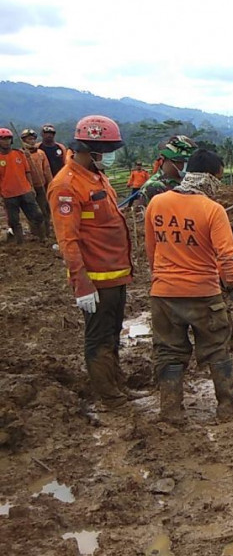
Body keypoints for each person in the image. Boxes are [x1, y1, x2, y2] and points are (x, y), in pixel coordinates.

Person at [145, 149, 233, 423]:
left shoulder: (156, 204)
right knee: (218, 349)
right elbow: (227, 256)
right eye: (217, 179)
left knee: (169, 353)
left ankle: (171, 412)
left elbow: (151, 251)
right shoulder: (212, 210)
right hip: (203, 294)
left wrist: (164, 278)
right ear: (208, 178)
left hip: (164, 294)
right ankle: (228, 411)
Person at [48, 115, 141, 410]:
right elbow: (68, 240)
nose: (108, 158)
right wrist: (81, 284)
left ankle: (116, 383)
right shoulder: (66, 185)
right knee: (99, 338)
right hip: (97, 279)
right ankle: (109, 397)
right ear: (89, 149)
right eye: (105, 152)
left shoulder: (96, 176)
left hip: (115, 275)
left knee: (113, 333)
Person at [0, 128, 46, 243]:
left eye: (8, 139)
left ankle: (42, 239)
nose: (5, 141)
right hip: (8, 195)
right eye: (2, 139)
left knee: (37, 216)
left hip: (25, 191)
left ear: (11, 140)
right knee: (14, 221)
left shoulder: (19, 154)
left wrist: (31, 187)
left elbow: (27, 172)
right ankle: (20, 243)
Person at [139, 135, 198, 207]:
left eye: (187, 162)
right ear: (163, 160)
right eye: (179, 162)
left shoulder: (191, 181)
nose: (184, 166)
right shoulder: (154, 186)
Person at [20, 129, 53, 232]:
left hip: (41, 186)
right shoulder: (20, 154)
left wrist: (51, 184)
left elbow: (47, 169)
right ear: (24, 140)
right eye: (29, 139)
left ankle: (47, 230)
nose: (32, 141)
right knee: (33, 212)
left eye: (33, 139)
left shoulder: (41, 153)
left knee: (45, 209)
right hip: (28, 188)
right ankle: (35, 232)